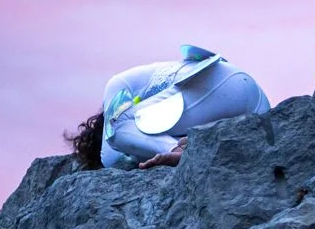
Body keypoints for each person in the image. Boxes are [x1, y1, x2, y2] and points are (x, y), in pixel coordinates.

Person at [67, 45, 271, 171]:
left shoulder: (117, 85)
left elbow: (111, 158)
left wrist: (146, 151)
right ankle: (181, 148)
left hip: (219, 85)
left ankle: (176, 152)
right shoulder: (170, 120)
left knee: (117, 127)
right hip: (257, 104)